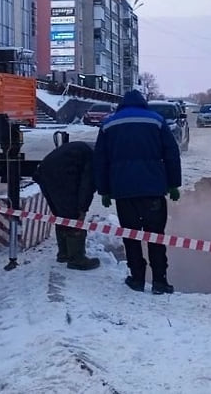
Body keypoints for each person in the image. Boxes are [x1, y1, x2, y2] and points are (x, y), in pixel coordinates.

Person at [93, 90, 183, 294]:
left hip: (124, 192)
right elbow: (172, 154)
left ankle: (137, 279)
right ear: (143, 103)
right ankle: (160, 282)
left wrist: (104, 190)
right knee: (155, 237)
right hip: (154, 191)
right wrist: (173, 184)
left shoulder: (109, 124)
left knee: (131, 236)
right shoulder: (157, 121)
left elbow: (100, 160)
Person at [32, 134, 99, 271]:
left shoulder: (87, 149)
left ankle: (64, 253)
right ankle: (76, 259)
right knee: (73, 215)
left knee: (61, 215)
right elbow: (86, 186)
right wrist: (82, 210)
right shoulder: (95, 158)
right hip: (60, 176)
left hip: (44, 173)